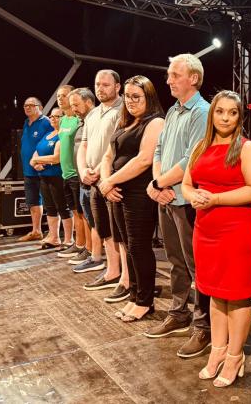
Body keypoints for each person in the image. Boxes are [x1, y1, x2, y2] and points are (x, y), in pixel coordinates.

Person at [182, 90, 251, 387]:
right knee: (215, 293)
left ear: (240, 117)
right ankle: (217, 351)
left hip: (236, 230)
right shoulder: (200, 146)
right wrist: (192, 196)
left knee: (237, 294)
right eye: (220, 111)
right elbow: (187, 184)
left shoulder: (246, 148)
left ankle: (234, 355)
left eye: (232, 112)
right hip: (205, 230)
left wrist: (215, 199)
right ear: (212, 114)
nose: (226, 118)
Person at [144, 54, 211, 359]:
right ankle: (179, 313)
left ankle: (203, 326)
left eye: (174, 75)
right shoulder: (173, 111)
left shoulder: (202, 112)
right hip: (168, 196)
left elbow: (191, 160)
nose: (168, 80)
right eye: (169, 75)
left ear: (193, 78)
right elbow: (159, 150)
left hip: (186, 200)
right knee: (175, 261)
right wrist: (158, 184)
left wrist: (159, 184)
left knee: (198, 266)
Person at [98, 76, 164, 321]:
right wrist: (106, 183)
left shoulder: (155, 122)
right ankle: (135, 296)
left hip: (138, 194)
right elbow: (107, 157)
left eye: (137, 96)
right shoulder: (124, 122)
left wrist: (110, 182)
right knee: (128, 246)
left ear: (149, 97)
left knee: (139, 247)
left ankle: (145, 301)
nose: (131, 101)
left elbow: (144, 160)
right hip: (116, 193)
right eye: (127, 96)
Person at [75, 71, 126, 300]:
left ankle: (126, 277)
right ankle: (112, 272)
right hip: (93, 181)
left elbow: (117, 147)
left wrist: (99, 171)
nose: (100, 88)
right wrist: (83, 170)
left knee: (119, 232)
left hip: (111, 179)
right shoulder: (93, 113)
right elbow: (83, 146)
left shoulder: (123, 110)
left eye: (105, 84)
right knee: (103, 229)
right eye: (97, 84)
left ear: (117, 86)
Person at [29, 107, 73, 249]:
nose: (53, 119)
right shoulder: (48, 134)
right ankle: (54, 238)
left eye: (57, 116)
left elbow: (56, 158)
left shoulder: (63, 135)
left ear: (64, 118)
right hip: (44, 177)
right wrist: (36, 163)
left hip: (57, 177)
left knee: (63, 208)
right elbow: (35, 153)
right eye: (51, 116)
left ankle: (69, 240)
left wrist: (37, 161)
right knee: (50, 208)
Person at [54, 85, 88, 260]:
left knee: (82, 214)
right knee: (75, 212)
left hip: (76, 173)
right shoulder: (62, 121)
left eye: (64, 95)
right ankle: (78, 243)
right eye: (58, 96)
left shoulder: (78, 120)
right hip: (65, 173)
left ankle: (84, 247)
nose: (60, 99)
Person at [66, 88, 97, 269]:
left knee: (94, 219)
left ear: (88, 102)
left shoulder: (96, 121)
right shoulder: (82, 122)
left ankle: (94, 253)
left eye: (76, 105)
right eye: (72, 106)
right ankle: (90, 250)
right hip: (81, 177)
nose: (74, 109)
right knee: (86, 216)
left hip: (92, 178)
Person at [18, 97, 52, 242]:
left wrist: (43, 162)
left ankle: (54, 234)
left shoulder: (46, 122)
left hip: (43, 168)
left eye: (31, 105)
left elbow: (54, 142)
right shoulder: (26, 122)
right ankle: (36, 231)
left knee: (51, 202)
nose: (27, 107)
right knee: (33, 201)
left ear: (40, 107)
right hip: (29, 170)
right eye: (25, 105)